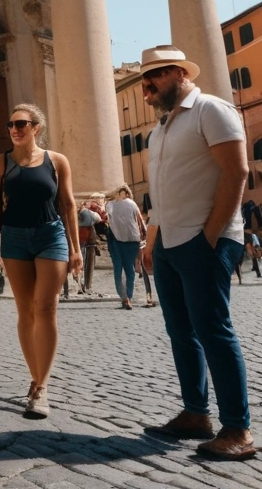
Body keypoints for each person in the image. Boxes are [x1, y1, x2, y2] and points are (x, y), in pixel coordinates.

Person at [139, 45, 255, 460]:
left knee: (214, 331)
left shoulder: (212, 110)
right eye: (142, 79)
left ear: (178, 74)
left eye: (153, 77)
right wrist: (151, 240)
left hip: (205, 239)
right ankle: (195, 414)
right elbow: (162, 192)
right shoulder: (162, 128)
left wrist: (211, 235)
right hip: (169, 241)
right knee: (181, 332)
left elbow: (237, 171)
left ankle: (238, 430)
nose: (145, 86)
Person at [0, 103, 81, 419]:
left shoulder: (57, 161)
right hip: (14, 237)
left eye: (21, 123)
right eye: (10, 124)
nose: (14, 129)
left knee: (46, 307)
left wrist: (75, 248)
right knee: (25, 310)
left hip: (51, 235)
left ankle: (41, 385)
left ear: (36, 127)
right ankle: (35, 376)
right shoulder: (0, 163)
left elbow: (67, 205)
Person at [106, 185, 146, 310]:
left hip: (120, 240)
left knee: (122, 269)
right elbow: (141, 222)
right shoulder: (131, 204)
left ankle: (126, 298)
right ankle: (127, 297)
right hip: (130, 239)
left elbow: (106, 219)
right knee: (127, 269)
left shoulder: (111, 205)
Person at [76, 201, 101, 294]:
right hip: (87, 242)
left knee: (80, 265)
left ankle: (80, 285)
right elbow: (98, 219)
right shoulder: (87, 213)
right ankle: (86, 286)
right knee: (88, 265)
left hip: (80, 241)